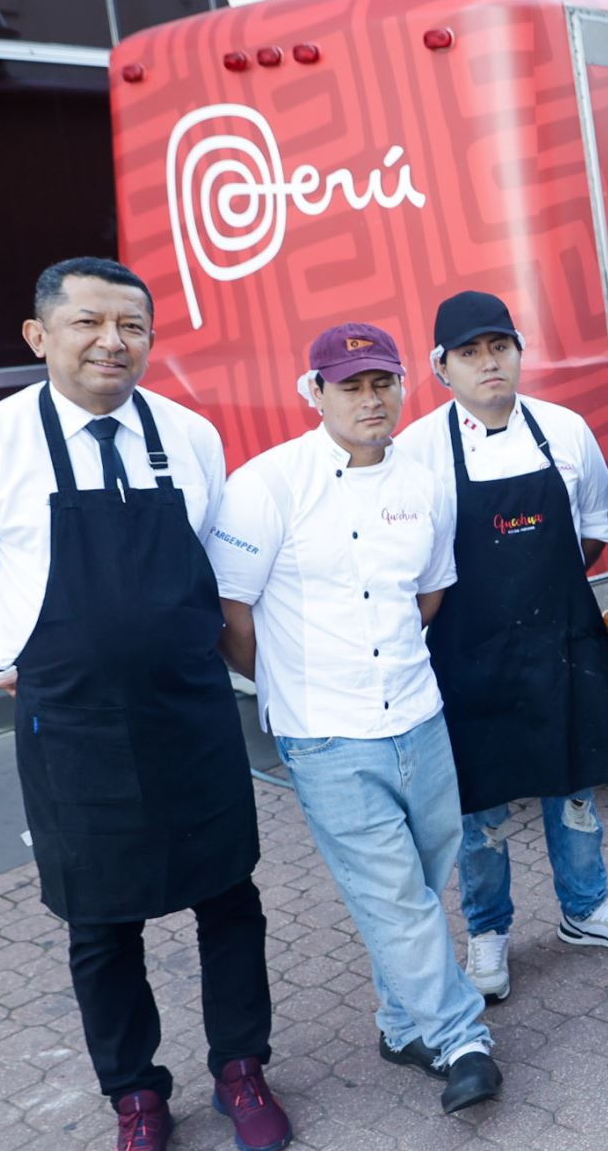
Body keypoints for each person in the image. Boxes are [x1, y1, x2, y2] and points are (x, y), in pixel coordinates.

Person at [0, 259, 290, 1151]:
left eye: (133, 327)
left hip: (189, 711)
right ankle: (136, 1095)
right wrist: (18, 650)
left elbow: (218, 568)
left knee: (229, 898)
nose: (113, 342)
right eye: (88, 324)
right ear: (40, 337)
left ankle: (241, 1068)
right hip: (71, 725)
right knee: (100, 923)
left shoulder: (188, 434)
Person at [206, 323, 502, 1113]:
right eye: (351, 385)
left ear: (403, 385)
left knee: (420, 882)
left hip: (418, 715)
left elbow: (429, 594)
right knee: (398, 898)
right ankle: (458, 1037)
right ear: (316, 392)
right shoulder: (265, 485)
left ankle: (401, 1024)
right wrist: (282, 685)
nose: (370, 400)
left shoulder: (425, 481)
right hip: (327, 731)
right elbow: (230, 612)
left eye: (382, 383)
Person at [400, 291, 608, 1007]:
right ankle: (487, 932)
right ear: (440, 366)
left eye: (499, 347)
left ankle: (585, 908)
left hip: (558, 641)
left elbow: (590, 531)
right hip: (467, 650)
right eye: (469, 353)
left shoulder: (564, 429)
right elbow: (417, 560)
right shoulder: (419, 450)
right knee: (479, 807)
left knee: (572, 783)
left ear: (519, 351)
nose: (488, 363)